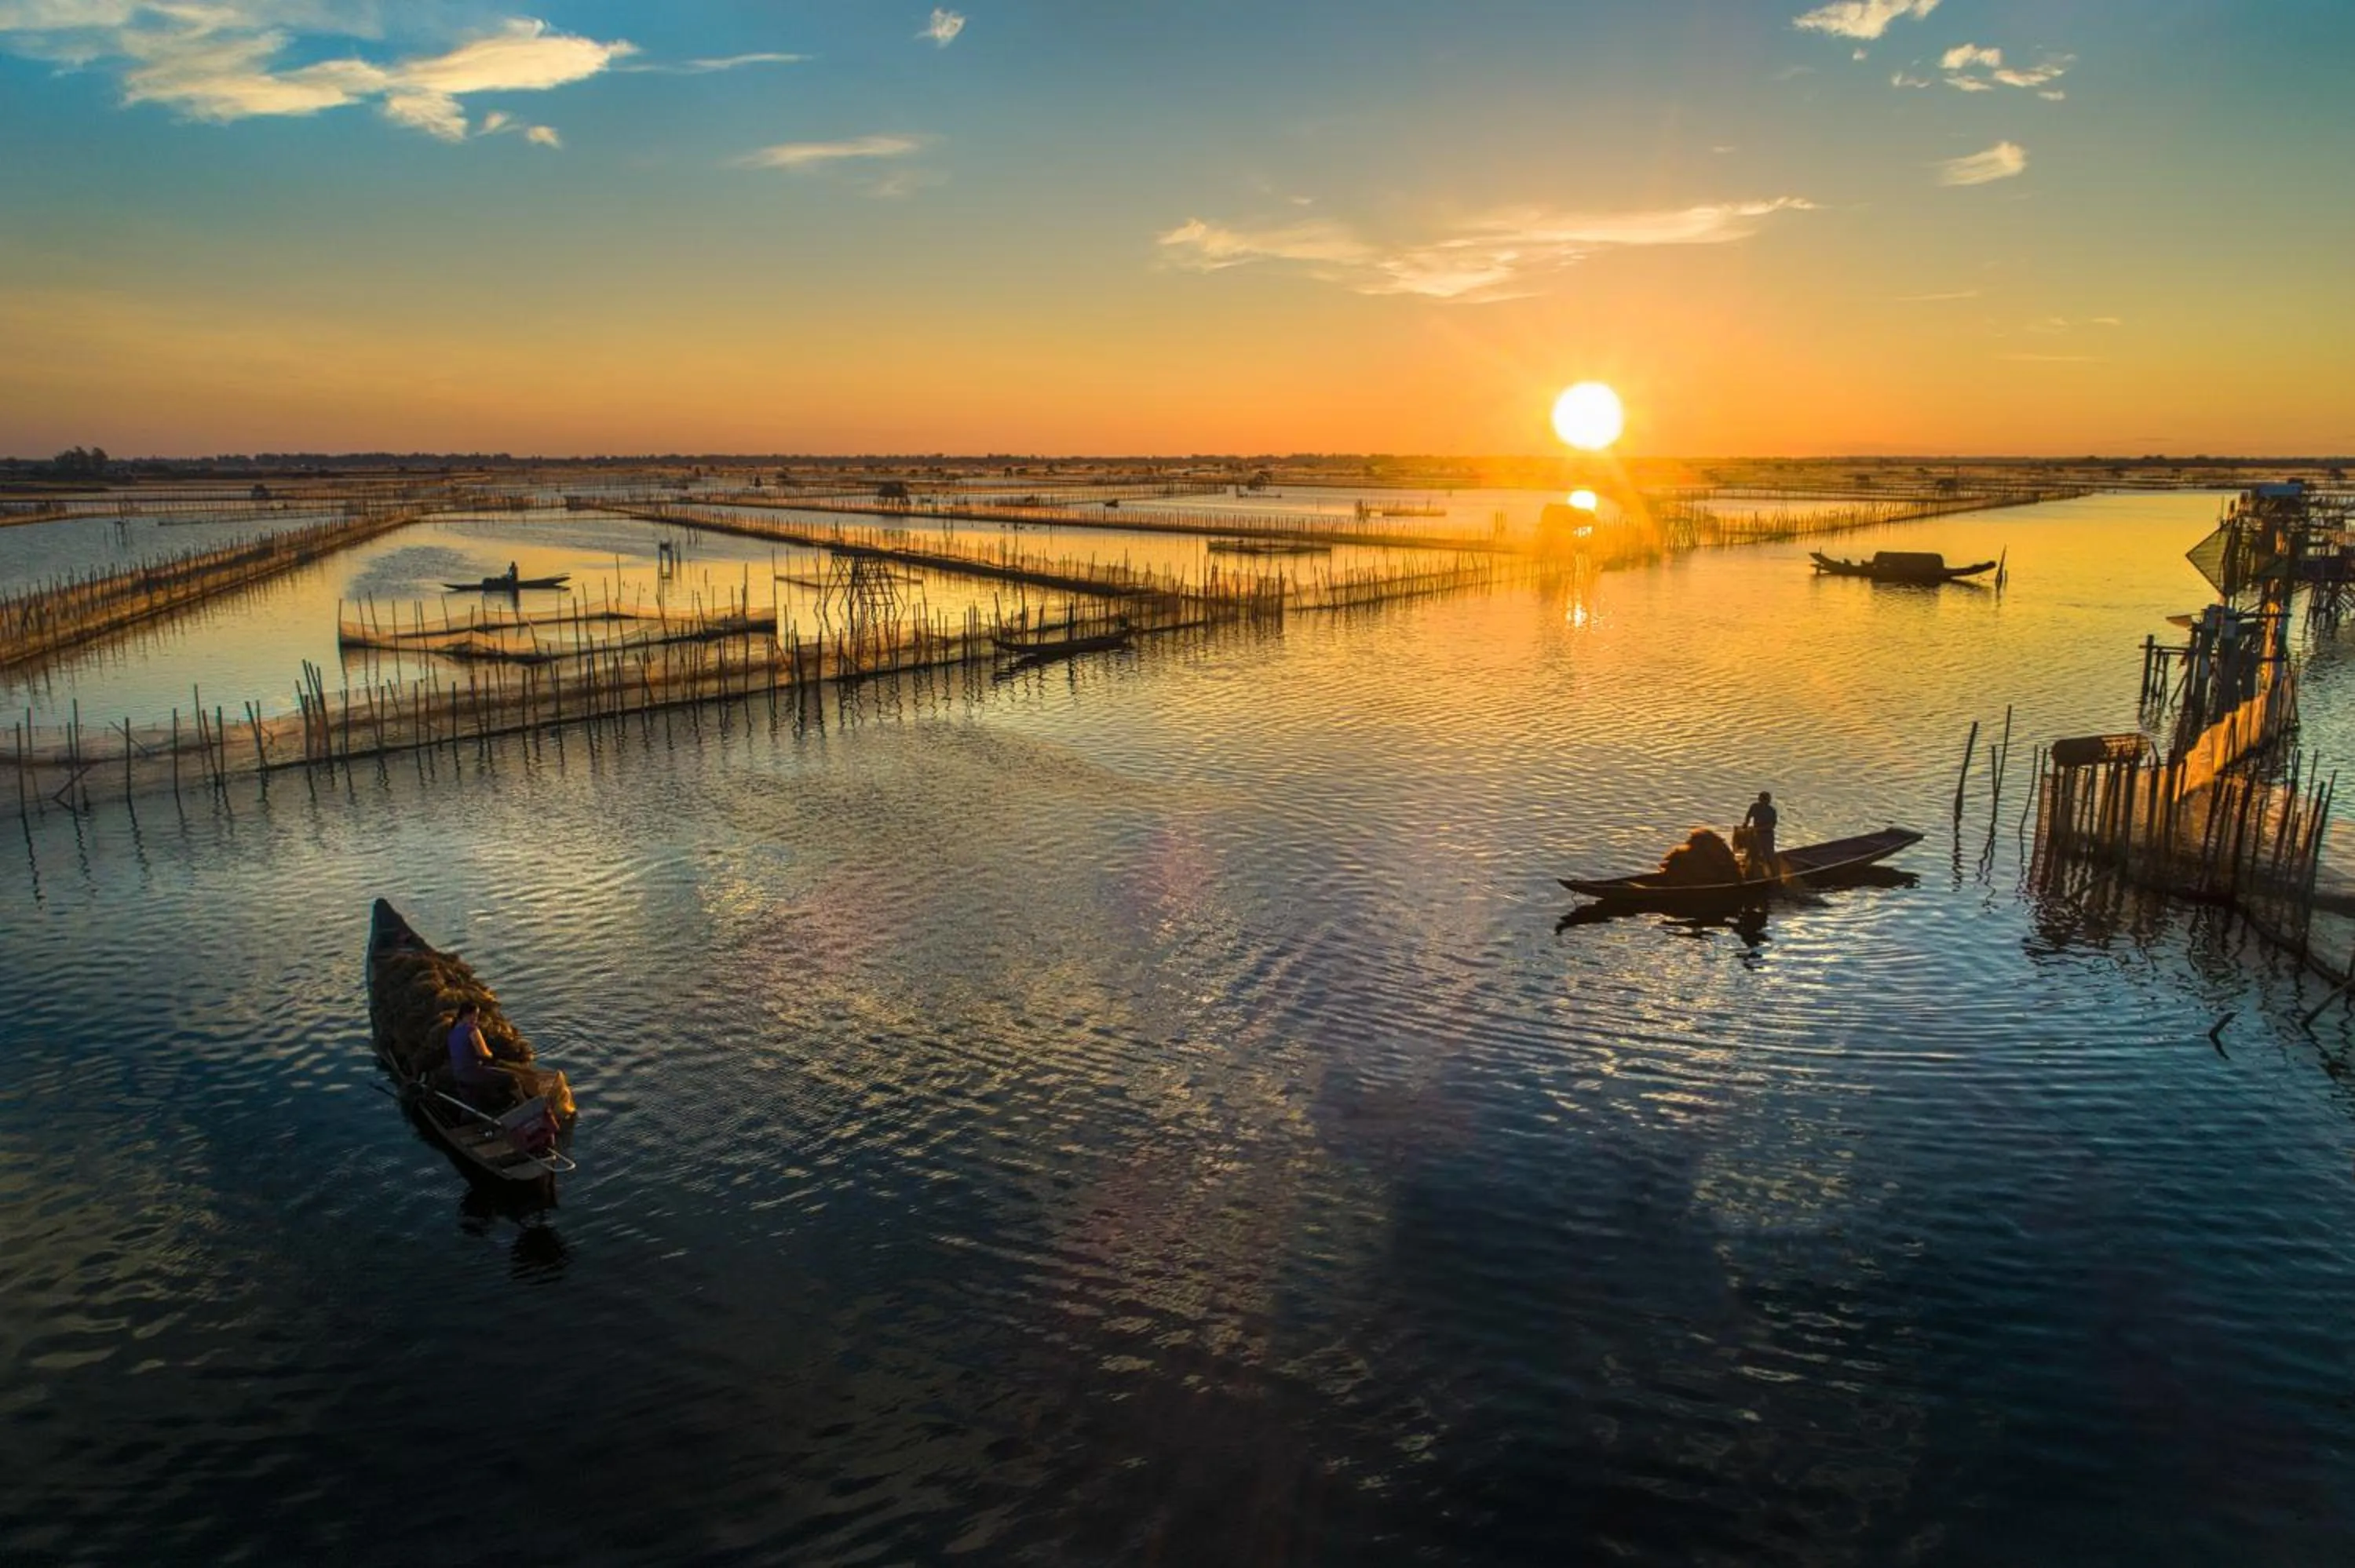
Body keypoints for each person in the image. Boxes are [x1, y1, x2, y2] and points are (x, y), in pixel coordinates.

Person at [446, 1000, 511, 1111]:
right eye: (475, 1016)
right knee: (511, 1078)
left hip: (458, 1074)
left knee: (474, 1105)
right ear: (467, 1015)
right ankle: (527, 1106)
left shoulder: (452, 1032)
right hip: (473, 1072)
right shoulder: (472, 1030)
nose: (476, 1019)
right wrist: (493, 1055)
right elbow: (484, 1054)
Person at [1740, 790, 1779, 877]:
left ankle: (1774, 875)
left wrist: (1758, 829)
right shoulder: (1755, 807)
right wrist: (1746, 823)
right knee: (1752, 853)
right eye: (1762, 799)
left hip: (1767, 835)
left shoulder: (1771, 811)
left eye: (1767, 800)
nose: (1765, 801)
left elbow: (1772, 826)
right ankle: (1748, 872)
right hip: (1756, 834)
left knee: (1769, 855)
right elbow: (1749, 815)